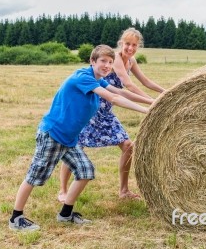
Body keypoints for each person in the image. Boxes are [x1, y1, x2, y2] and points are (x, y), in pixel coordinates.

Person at [9, 45, 153, 231]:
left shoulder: (98, 80)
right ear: (92, 61)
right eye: (102, 61)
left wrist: (153, 101)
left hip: (69, 139)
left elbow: (120, 92)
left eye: (110, 62)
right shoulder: (83, 77)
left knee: (85, 171)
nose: (107, 65)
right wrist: (147, 111)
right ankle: (16, 218)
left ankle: (65, 214)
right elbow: (113, 99)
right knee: (35, 175)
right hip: (53, 134)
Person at [58, 28, 165, 202]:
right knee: (76, 146)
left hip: (107, 111)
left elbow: (145, 81)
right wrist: (153, 102)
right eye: (127, 44)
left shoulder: (131, 61)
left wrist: (167, 93)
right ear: (121, 43)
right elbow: (129, 85)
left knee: (128, 146)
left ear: (138, 46)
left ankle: (124, 190)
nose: (130, 48)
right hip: (93, 108)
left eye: (134, 45)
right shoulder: (114, 60)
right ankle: (62, 190)